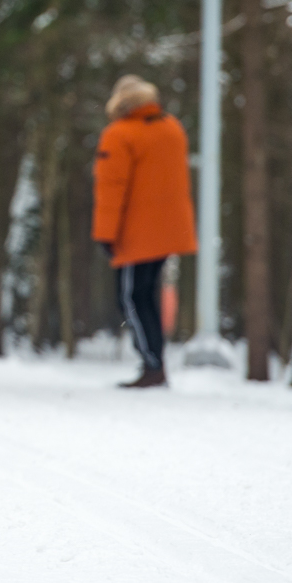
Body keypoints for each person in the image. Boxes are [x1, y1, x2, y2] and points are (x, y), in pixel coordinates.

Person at [92, 75, 197, 388]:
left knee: (131, 297)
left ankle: (152, 363)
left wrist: (105, 234)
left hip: (136, 231)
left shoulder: (119, 134)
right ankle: (155, 362)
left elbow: (112, 190)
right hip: (169, 230)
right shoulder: (172, 128)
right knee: (147, 295)